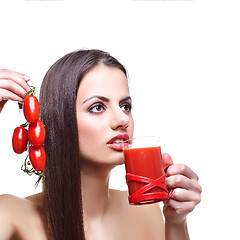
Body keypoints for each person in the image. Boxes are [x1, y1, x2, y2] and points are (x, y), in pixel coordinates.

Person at [0, 49, 201, 240]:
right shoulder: (11, 214)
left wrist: (176, 221)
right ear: (59, 119)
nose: (123, 119)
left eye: (125, 106)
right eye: (97, 107)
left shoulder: (146, 210)